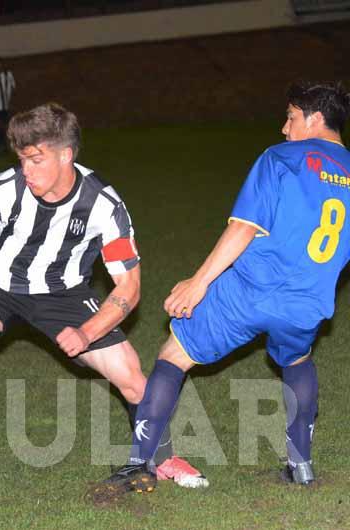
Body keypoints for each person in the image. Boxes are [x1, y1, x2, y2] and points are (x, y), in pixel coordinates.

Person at [0, 102, 207, 490]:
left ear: (66, 155)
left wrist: (86, 333)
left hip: (62, 293)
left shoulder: (102, 205)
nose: (26, 170)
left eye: (36, 160)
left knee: (132, 377)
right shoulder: (4, 190)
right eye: (22, 160)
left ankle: (162, 455)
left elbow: (129, 287)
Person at [100, 82, 350, 496]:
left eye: (290, 116)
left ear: (315, 118)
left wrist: (199, 283)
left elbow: (244, 227)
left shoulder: (281, 158)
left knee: (173, 355)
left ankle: (138, 465)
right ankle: (300, 465)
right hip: (309, 302)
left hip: (250, 290)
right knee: (298, 358)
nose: (284, 128)